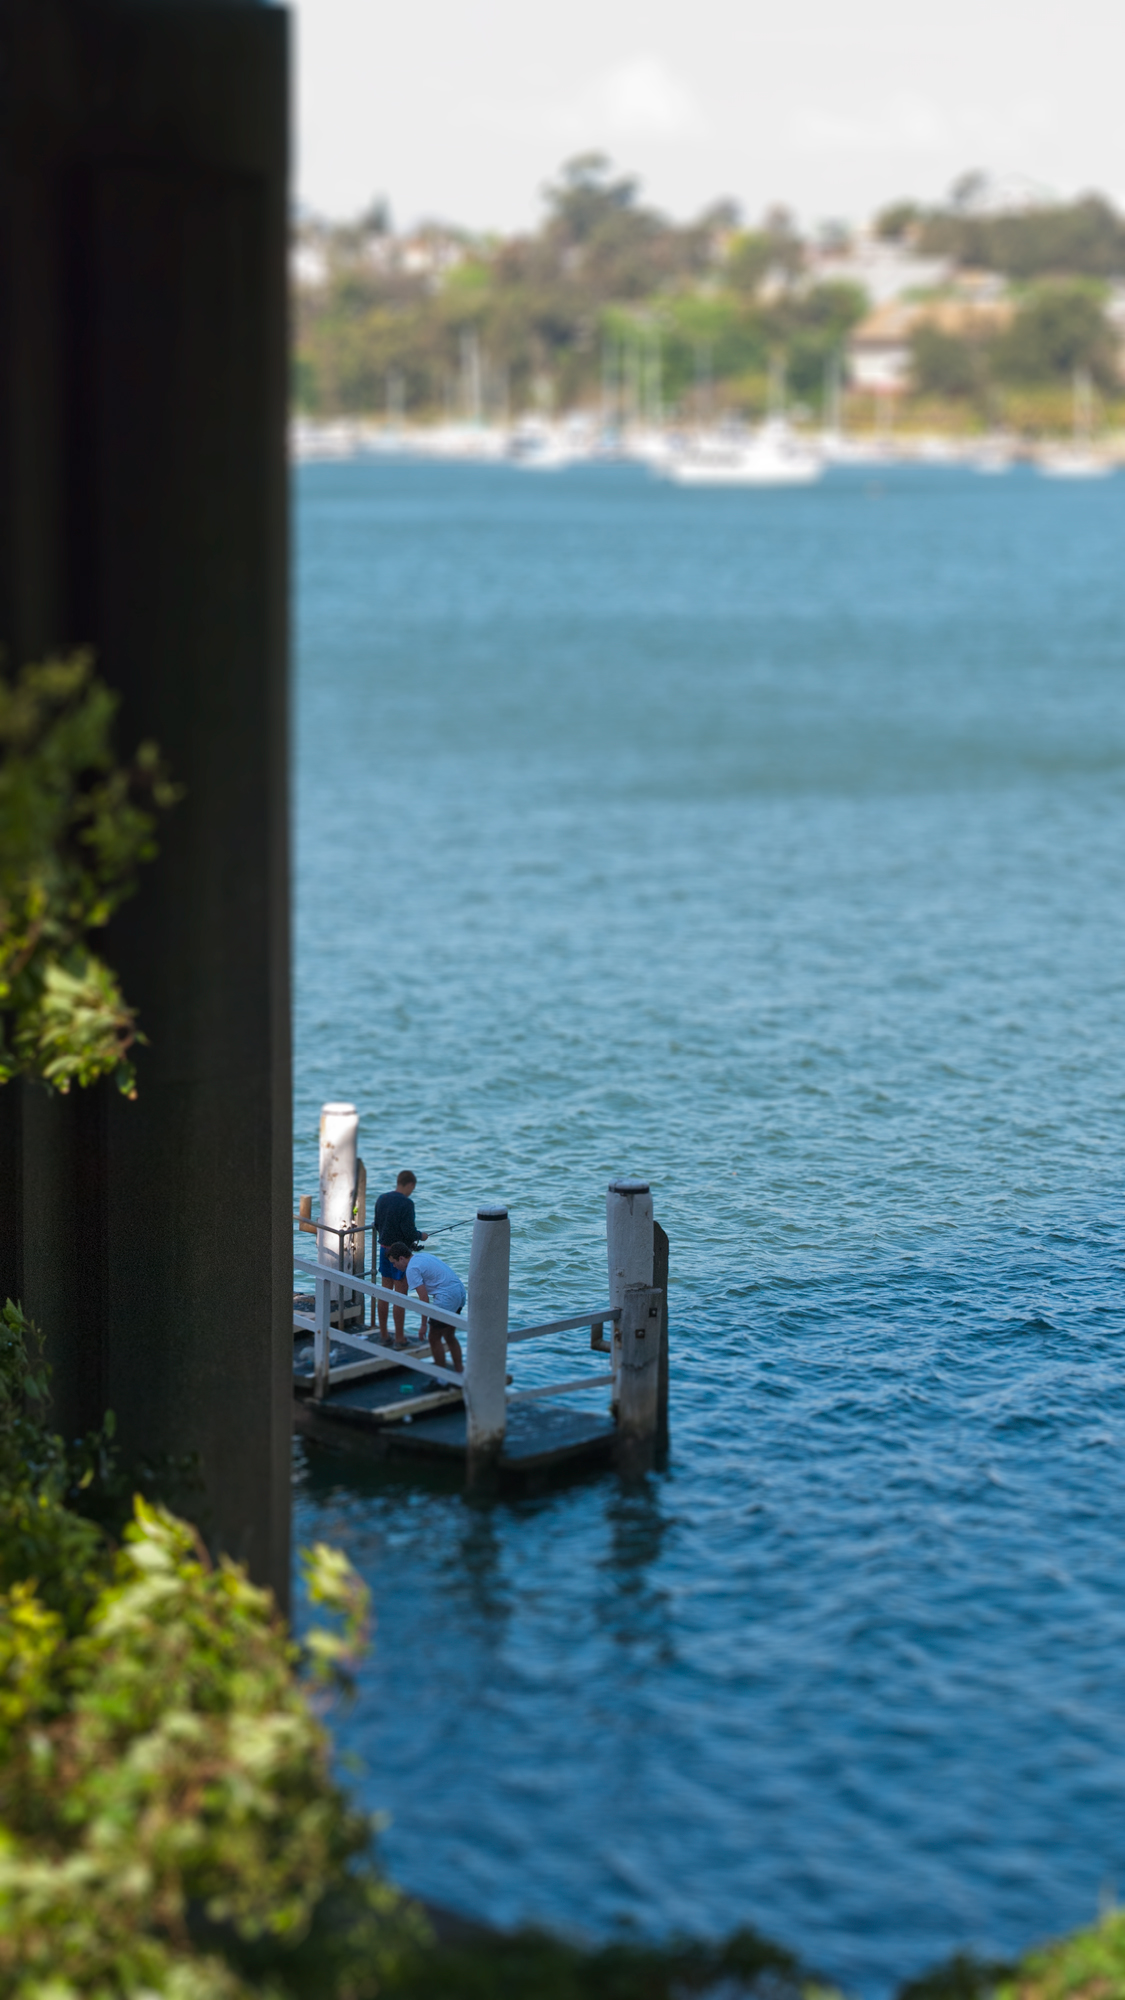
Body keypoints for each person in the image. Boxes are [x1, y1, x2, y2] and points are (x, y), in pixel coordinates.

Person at [385, 1241, 464, 1373]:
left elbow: (424, 1298)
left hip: (446, 1298)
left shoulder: (411, 1269)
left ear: (401, 1258)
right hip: (459, 1292)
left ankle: (441, 1379)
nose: (394, 1266)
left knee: (434, 1337)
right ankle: (459, 1371)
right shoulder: (423, 1257)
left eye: (394, 1263)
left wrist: (423, 1325)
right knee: (449, 1335)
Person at [373, 1171, 428, 1348]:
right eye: (413, 1187)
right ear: (410, 1185)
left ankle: (383, 1335)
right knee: (400, 1296)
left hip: (383, 1250)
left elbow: (376, 1224)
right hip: (399, 1256)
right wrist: (422, 1236)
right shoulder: (407, 1203)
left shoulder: (382, 1198)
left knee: (384, 1293)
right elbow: (409, 1232)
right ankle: (399, 1338)